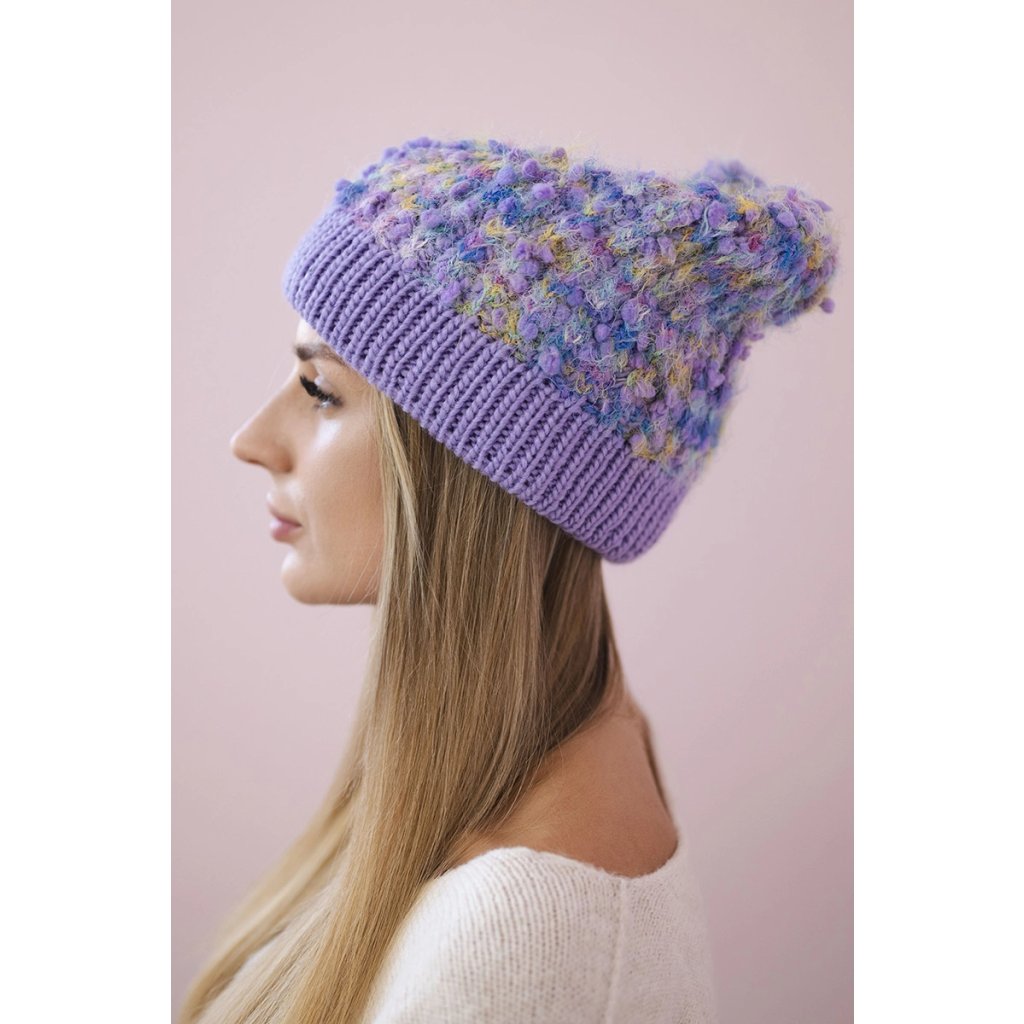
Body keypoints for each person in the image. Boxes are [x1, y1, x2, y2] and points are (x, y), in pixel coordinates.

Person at [178, 135, 839, 1024]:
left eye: (321, 390)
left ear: (477, 466)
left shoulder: (519, 946)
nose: (252, 439)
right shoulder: (558, 753)